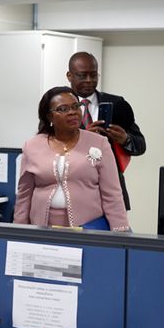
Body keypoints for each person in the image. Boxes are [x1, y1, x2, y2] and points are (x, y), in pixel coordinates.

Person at [13, 86, 129, 231]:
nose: (72, 112)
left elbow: (112, 194)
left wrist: (120, 231)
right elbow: (24, 194)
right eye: (63, 109)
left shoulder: (99, 143)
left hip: (87, 227)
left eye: (75, 106)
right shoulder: (32, 146)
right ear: (49, 117)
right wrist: (18, 230)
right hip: (42, 228)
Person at [67, 52, 146, 211]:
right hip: (72, 190)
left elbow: (140, 146)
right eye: (82, 76)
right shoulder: (59, 107)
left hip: (111, 192)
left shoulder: (117, 105)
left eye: (93, 75)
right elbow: (48, 145)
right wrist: (83, 138)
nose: (89, 80)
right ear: (69, 76)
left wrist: (125, 139)